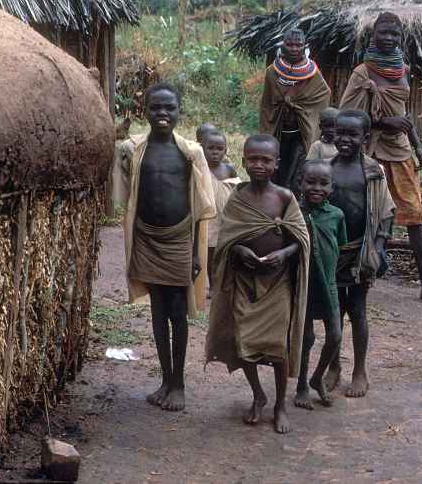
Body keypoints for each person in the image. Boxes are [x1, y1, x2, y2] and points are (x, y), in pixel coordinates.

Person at [114, 83, 216, 411]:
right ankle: (164, 379)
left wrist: (198, 254)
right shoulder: (133, 150)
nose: (162, 114)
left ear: (179, 112)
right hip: (146, 237)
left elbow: (202, 205)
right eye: (156, 107)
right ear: (145, 111)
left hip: (178, 239)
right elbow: (125, 196)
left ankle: (179, 384)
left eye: (169, 108)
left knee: (178, 311)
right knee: (158, 310)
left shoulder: (191, 153)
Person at [339, 12, 422, 304]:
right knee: (364, 213)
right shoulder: (362, 72)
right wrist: (382, 124)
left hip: (399, 150)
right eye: (383, 33)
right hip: (371, 149)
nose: (389, 38)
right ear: (372, 35)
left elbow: (404, 114)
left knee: (413, 214)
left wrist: (416, 145)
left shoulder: (403, 69)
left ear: (401, 37)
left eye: (394, 34)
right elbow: (347, 117)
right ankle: (355, 274)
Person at [205, 135, 309, 434]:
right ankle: (258, 395)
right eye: (253, 159)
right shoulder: (237, 196)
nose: (259, 164)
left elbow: (300, 239)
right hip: (245, 282)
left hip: (277, 284)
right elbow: (227, 238)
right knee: (244, 344)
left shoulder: (285, 197)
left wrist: (284, 253)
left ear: (276, 164)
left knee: (277, 350)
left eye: (266, 160)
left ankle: (279, 405)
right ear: (244, 161)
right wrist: (240, 251)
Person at [324, 109, 395, 398]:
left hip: (360, 253)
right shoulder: (325, 168)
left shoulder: (372, 172)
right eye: (341, 132)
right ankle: (333, 367)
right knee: (333, 312)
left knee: (357, 311)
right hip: (330, 252)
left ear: (365, 138)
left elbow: (386, 212)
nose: (345, 139)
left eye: (353, 134)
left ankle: (359, 371)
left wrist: (379, 247)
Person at [294, 160, 345, 410]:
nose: (316, 188)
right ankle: (302, 384)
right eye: (310, 182)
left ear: (332, 188)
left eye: (324, 183)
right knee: (306, 338)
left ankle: (317, 378)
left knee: (335, 336)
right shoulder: (294, 213)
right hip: (304, 286)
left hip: (330, 285)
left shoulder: (336, 215)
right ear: (300, 183)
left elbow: (341, 247)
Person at [259, 28, 331, 197]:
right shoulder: (272, 72)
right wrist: (282, 104)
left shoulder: (313, 74)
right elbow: (267, 103)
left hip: (300, 132)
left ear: (304, 46)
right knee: (276, 168)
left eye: (298, 45)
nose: (294, 49)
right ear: (282, 46)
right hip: (278, 130)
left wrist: (298, 106)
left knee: (297, 171)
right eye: (289, 44)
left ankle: (295, 205)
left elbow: (323, 95)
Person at [201, 130, 241, 286]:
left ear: (226, 150)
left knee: (225, 252)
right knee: (210, 254)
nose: (215, 152)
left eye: (219, 149)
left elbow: (236, 191)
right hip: (208, 219)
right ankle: (212, 284)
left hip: (225, 218)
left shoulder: (228, 169)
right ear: (202, 148)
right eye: (210, 148)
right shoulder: (200, 169)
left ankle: (223, 282)